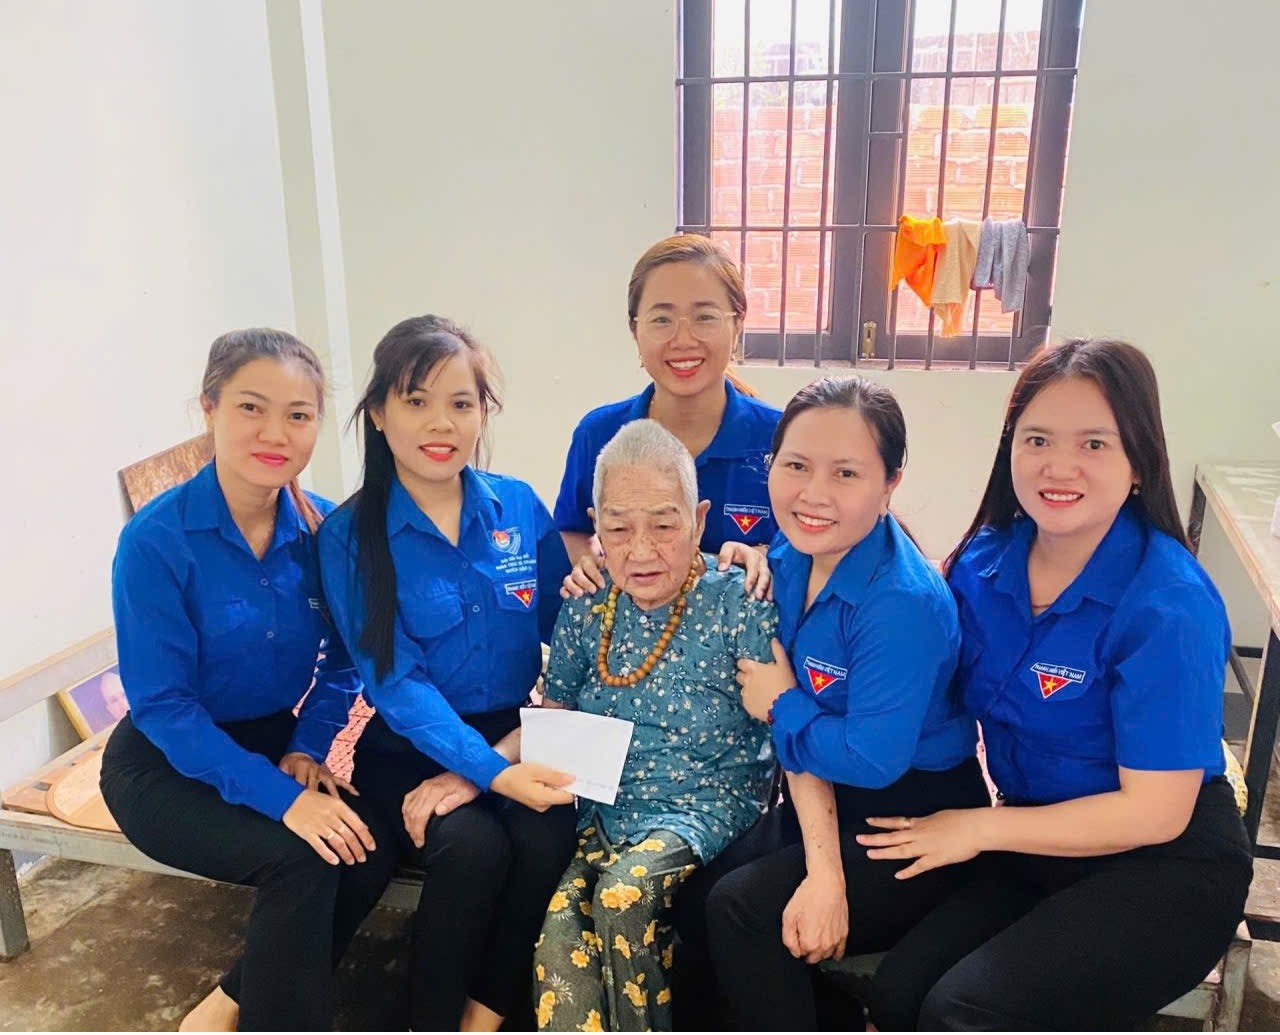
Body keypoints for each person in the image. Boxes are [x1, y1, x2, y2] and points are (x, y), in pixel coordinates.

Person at [862, 338, 1254, 1031]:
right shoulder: (982, 563)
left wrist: (977, 827)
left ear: (1140, 462)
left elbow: (1155, 813)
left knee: (965, 1009)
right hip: (1036, 838)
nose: (1059, 466)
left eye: (1094, 444)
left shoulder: (1168, 603)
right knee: (898, 996)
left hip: (1165, 864)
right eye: (1037, 438)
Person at [685, 376, 990, 1031]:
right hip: (823, 788)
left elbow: (870, 758)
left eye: (846, 473)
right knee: (692, 890)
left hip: (913, 816)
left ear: (890, 483)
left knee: (742, 910)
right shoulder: (792, 552)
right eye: (796, 465)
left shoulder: (901, 604)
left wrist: (783, 704)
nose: (813, 493)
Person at [100, 328, 382, 1033]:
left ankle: (227, 1001)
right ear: (209, 407)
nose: (275, 433)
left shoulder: (323, 532)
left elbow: (346, 660)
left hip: (271, 741)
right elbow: (165, 708)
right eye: (251, 407)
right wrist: (285, 800)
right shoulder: (157, 542)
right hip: (164, 762)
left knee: (366, 843)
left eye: (298, 414)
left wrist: (307, 747)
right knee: (304, 857)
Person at [316, 315, 578, 1032]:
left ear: (482, 412)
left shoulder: (516, 506)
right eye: (417, 401)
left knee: (550, 835)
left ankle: (485, 1013)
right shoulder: (350, 535)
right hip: (409, 743)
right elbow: (395, 683)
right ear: (378, 413)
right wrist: (485, 773)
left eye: (461, 403)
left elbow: (569, 627)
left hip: (513, 732)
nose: (442, 423)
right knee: (473, 849)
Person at [532, 419, 778, 1032]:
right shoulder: (586, 603)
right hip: (606, 813)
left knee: (623, 896)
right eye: (619, 528)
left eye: (664, 526)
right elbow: (556, 713)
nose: (640, 551)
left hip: (707, 803)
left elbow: (778, 720)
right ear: (596, 527)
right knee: (559, 942)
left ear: (698, 519)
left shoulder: (737, 597)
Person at [554, 234, 782, 572]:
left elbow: (817, 544)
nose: (683, 339)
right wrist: (594, 562)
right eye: (662, 319)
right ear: (635, 330)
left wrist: (765, 556)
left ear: (738, 324)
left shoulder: (782, 437)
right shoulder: (599, 433)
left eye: (705, 317)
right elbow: (572, 530)